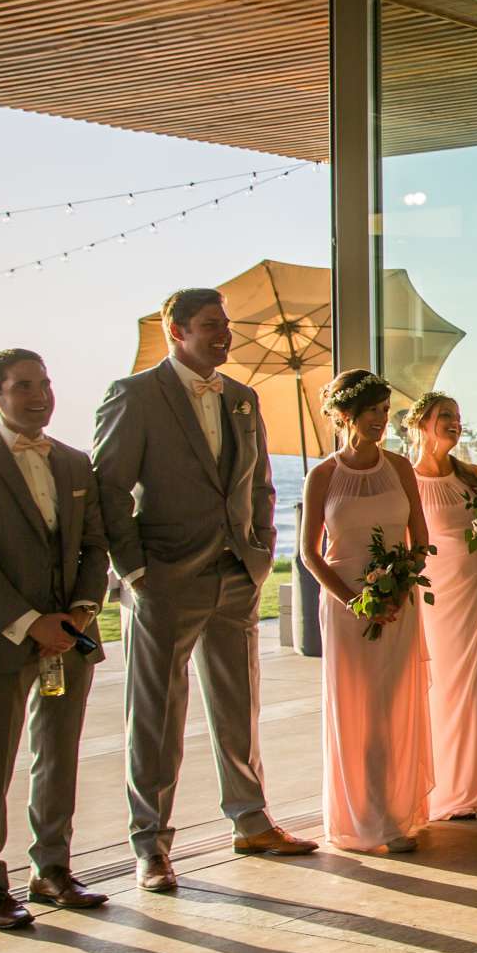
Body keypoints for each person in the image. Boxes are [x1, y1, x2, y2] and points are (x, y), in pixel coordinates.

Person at [93, 288, 314, 894]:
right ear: (175, 329)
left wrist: (262, 553)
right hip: (164, 581)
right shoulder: (133, 396)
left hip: (236, 577)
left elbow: (262, 486)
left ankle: (250, 820)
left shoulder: (242, 399)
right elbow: (108, 491)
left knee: (238, 708)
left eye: (227, 326)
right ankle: (151, 845)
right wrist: (136, 573)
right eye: (211, 325)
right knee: (157, 717)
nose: (224, 335)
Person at [0, 349, 111, 928]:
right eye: (22, 387)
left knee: (59, 756)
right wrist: (28, 622)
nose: (39, 396)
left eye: (44, 383)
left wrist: (81, 615)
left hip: (69, 639)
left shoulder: (74, 462)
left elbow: (96, 545)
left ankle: (53, 869)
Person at [299, 371, 432, 855]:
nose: (382, 420)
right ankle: (366, 816)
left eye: (385, 410)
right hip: (346, 608)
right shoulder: (324, 475)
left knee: (392, 706)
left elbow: (422, 539)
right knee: (359, 709)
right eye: (373, 411)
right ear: (345, 416)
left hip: (398, 602)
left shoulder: (400, 467)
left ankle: (396, 811)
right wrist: (355, 601)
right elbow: (311, 554)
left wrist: (399, 588)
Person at [408, 393, 477, 820]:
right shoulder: (407, 480)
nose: (455, 421)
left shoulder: (471, 476)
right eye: (444, 416)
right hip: (438, 600)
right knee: (443, 690)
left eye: (457, 415)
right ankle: (445, 789)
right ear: (420, 424)